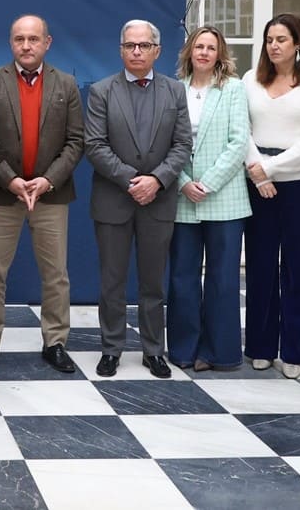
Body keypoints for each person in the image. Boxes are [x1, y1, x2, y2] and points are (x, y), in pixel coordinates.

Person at [0, 14, 85, 374]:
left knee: (56, 274)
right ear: (11, 43)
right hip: (3, 193)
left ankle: (55, 342)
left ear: (47, 43)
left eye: (33, 39)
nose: (26, 45)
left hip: (50, 194)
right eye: (19, 39)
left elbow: (76, 141)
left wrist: (47, 180)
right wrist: (11, 180)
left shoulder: (66, 84)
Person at [84, 19, 192, 379]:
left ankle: (153, 350)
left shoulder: (175, 91)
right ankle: (111, 349)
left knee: (153, 282)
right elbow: (94, 145)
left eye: (144, 45)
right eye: (130, 45)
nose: (136, 51)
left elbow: (182, 145)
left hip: (158, 200)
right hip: (114, 199)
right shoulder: (101, 91)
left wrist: (157, 180)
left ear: (157, 51)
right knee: (112, 281)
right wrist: (133, 180)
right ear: (121, 50)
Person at [243, 13, 300, 379]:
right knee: (261, 264)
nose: (274, 45)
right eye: (269, 39)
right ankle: (261, 346)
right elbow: (241, 129)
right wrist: (257, 170)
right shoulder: (250, 80)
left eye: (281, 39)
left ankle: (296, 349)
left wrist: (271, 168)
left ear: (298, 43)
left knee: (299, 267)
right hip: (256, 182)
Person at [166, 26, 251, 372]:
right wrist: (184, 182)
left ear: (219, 54)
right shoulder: (175, 89)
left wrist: (208, 183)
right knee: (183, 277)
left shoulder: (233, 89)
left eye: (211, 47)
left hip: (225, 198)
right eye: (199, 46)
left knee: (222, 279)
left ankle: (220, 352)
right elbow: (164, 142)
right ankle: (184, 350)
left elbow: (239, 141)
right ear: (189, 51)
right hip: (182, 197)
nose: (203, 52)